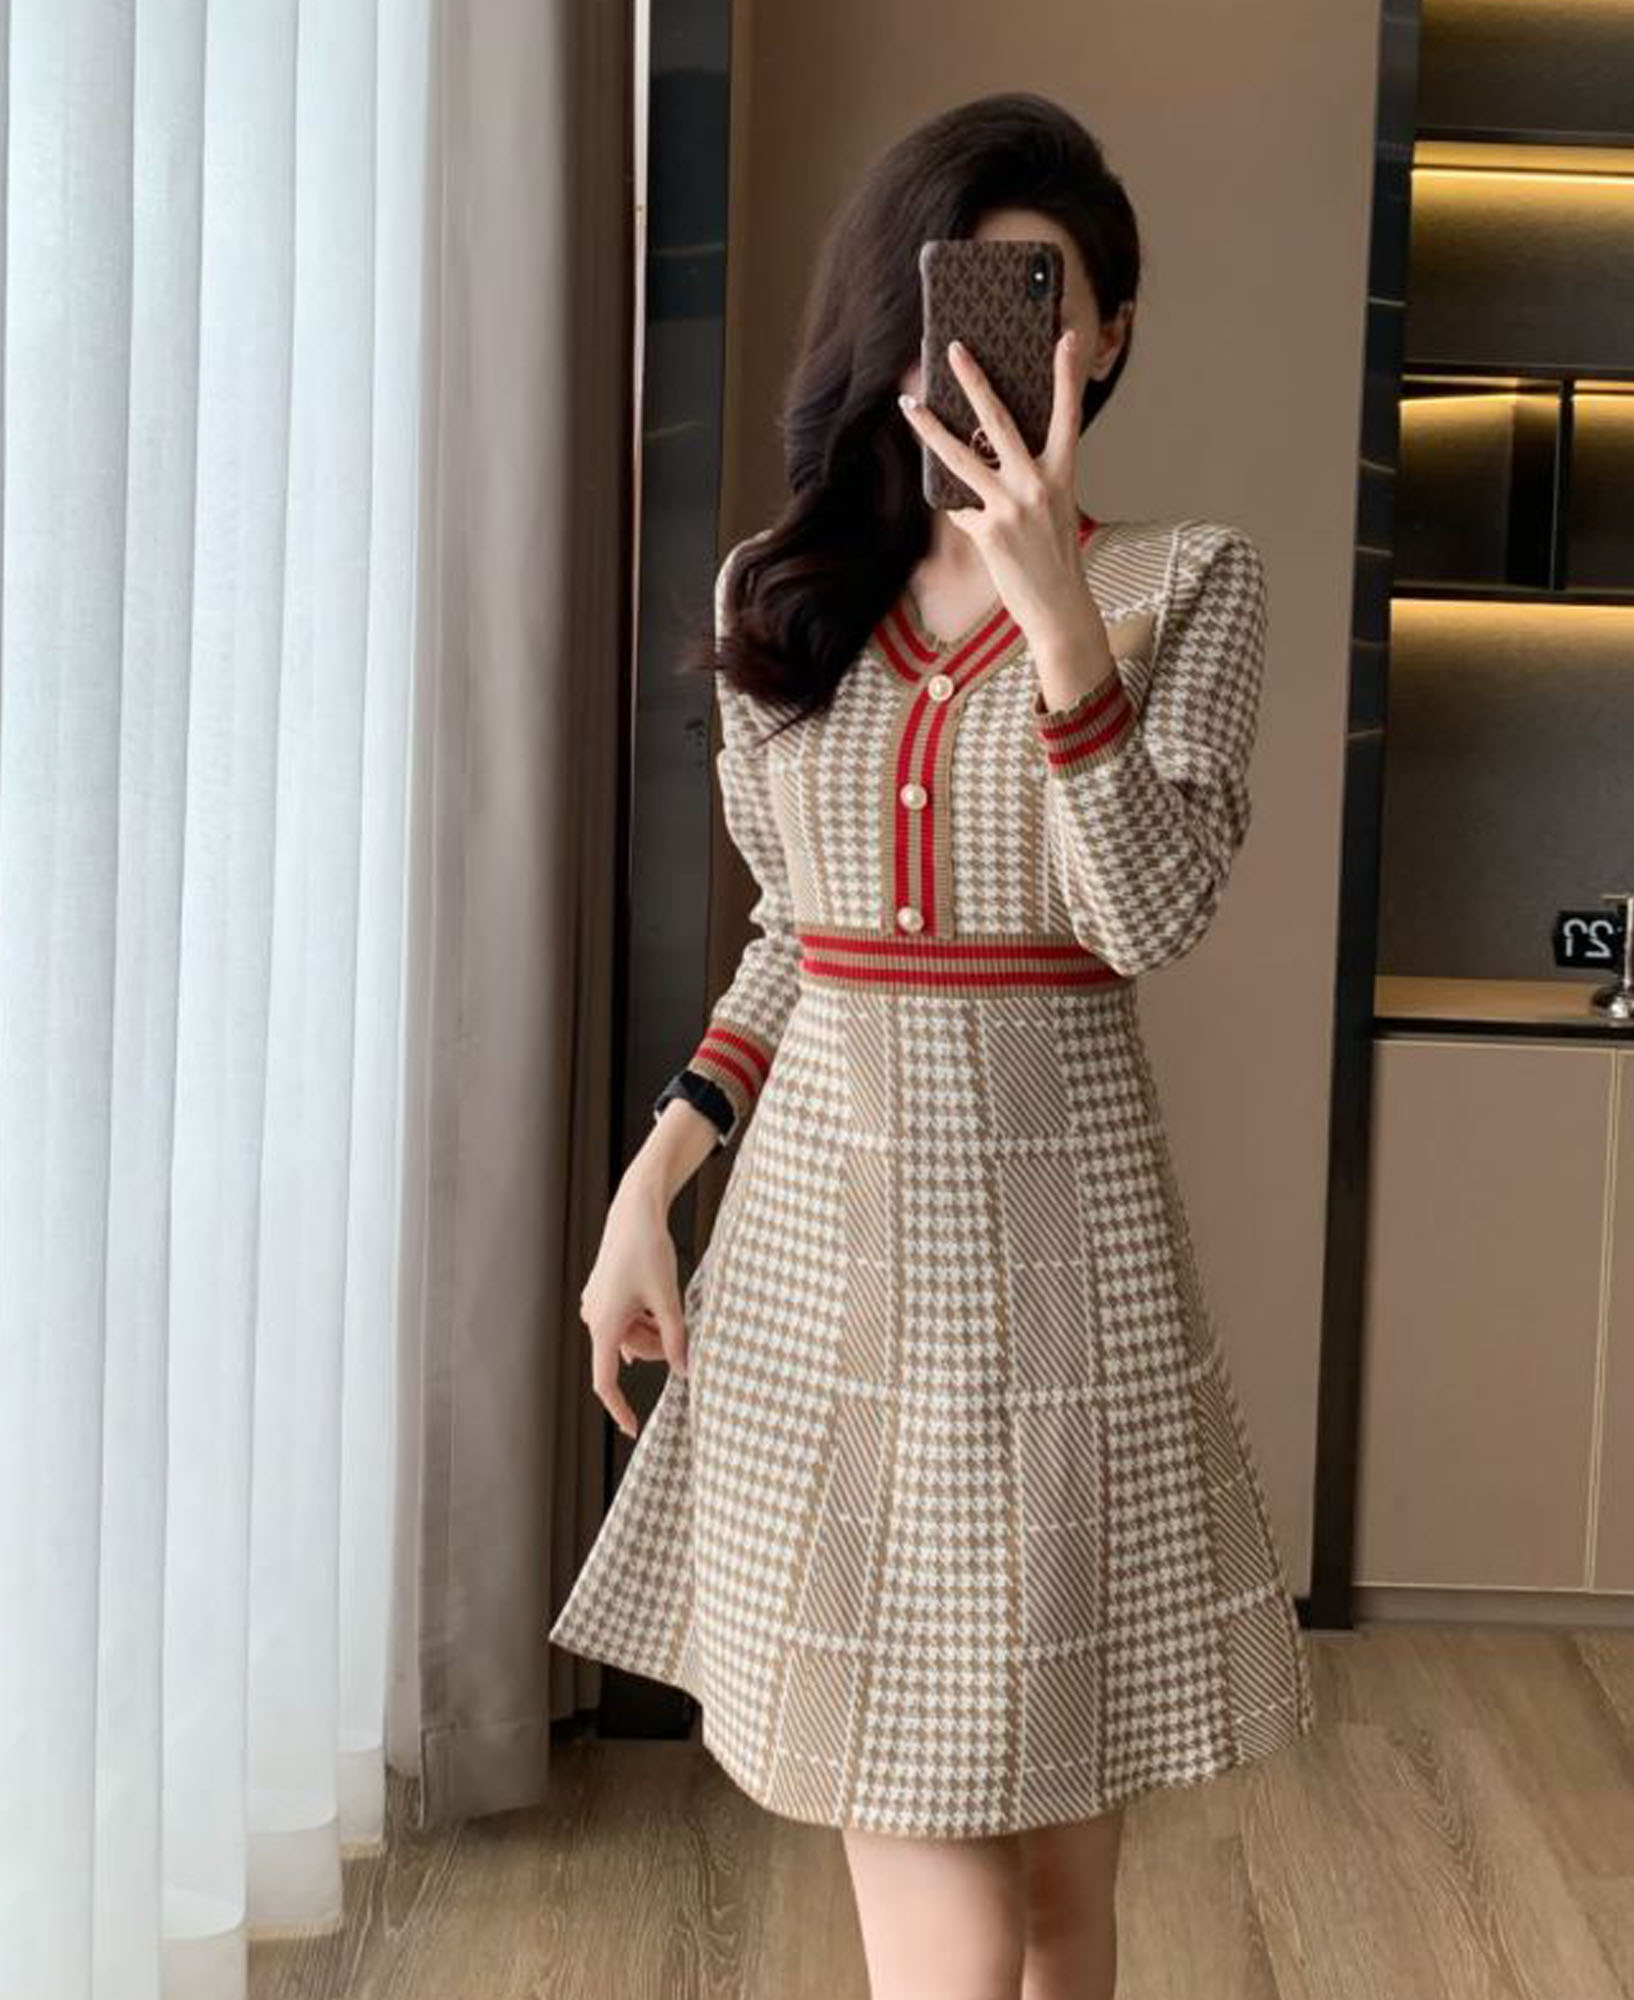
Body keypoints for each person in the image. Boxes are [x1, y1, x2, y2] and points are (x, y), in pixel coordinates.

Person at [550, 89, 1315, 2000]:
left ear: (1108, 335)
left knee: (1059, 1904)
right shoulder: (781, 594)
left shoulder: (1189, 583)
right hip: (824, 1293)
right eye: (954, 292)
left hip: (1067, 1301)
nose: (988, 341)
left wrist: (1061, 621)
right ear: (892, 321)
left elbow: (1146, 919)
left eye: (1039, 298)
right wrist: (651, 1187)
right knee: (952, 1922)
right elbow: (798, 946)